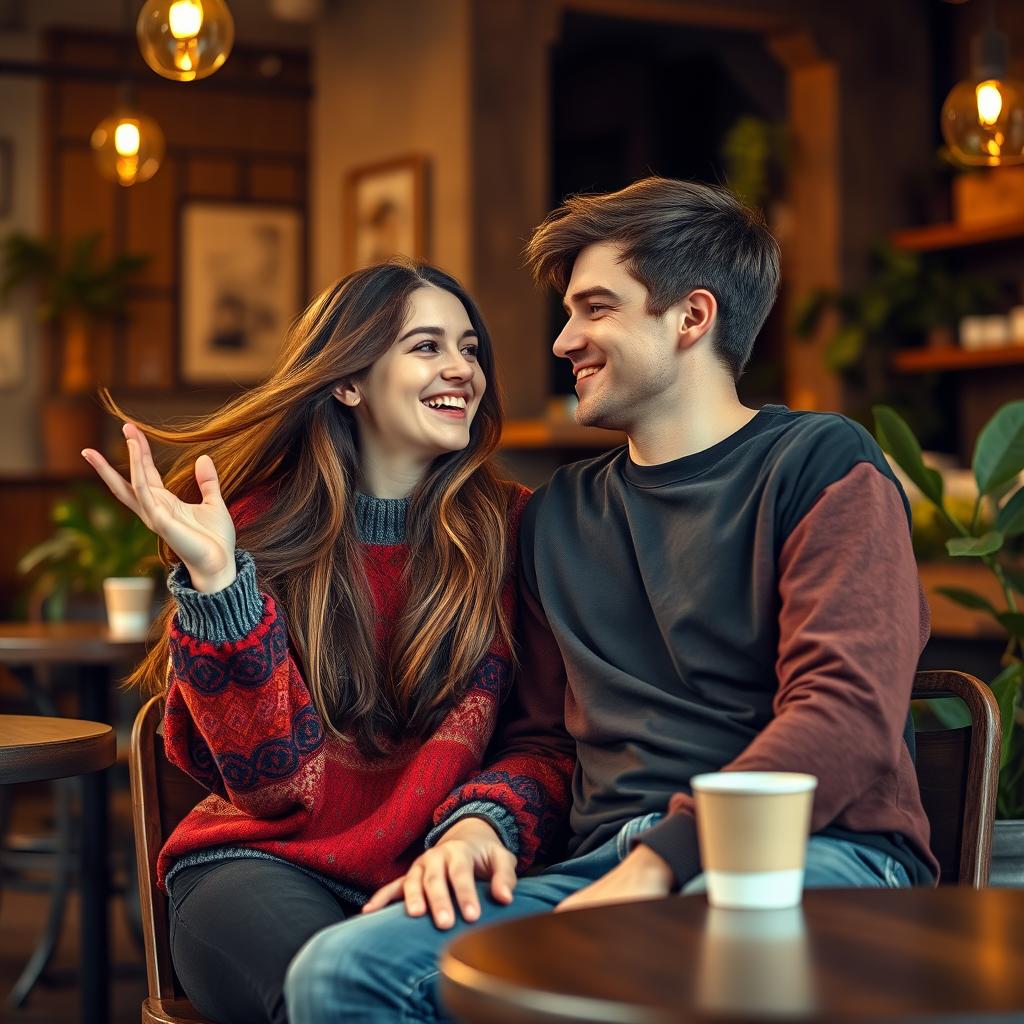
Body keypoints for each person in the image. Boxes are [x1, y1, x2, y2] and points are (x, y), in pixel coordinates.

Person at [284, 178, 939, 1024]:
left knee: (659, 969)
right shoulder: (554, 517)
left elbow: (845, 712)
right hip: (600, 866)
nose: (563, 341)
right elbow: (542, 737)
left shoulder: (819, 463)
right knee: (340, 974)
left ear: (691, 318)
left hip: (812, 856)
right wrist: (483, 825)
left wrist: (663, 861)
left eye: (595, 309)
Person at [81, 259, 573, 1024]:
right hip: (258, 865)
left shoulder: (520, 530)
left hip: (441, 868)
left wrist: (484, 821)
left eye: (470, 348)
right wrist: (219, 583)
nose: (461, 369)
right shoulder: (257, 530)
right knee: (337, 997)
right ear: (348, 381)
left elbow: (546, 742)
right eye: (425, 346)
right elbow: (273, 789)